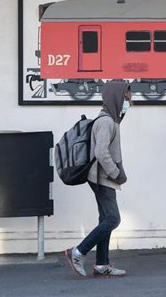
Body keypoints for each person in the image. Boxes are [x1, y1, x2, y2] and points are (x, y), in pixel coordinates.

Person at [65, 81, 131, 277]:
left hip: (102, 178)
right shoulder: (106, 122)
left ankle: (102, 264)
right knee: (113, 218)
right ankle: (78, 251)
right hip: (102, 178)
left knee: (105, 219)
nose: (128, 102)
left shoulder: (111, 120)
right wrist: (116, 173)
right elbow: (101, 152)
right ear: (115, 98)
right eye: (125, 98)